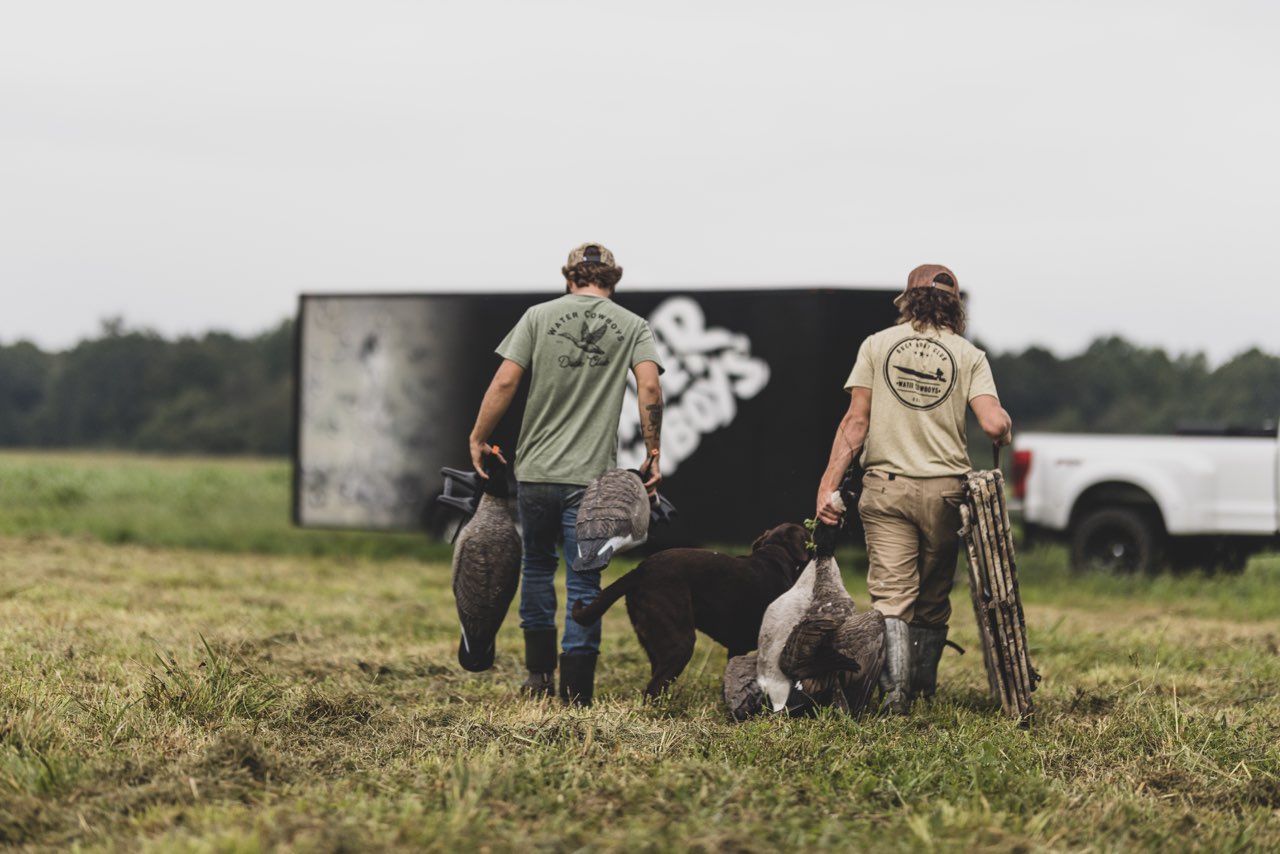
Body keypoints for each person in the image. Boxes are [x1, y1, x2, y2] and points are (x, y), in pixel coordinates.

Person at [468, 243, 664, 706]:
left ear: (569, 277)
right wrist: (654, 451)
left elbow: (504, 381)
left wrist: (478, 436)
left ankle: (538, 677)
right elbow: (650, 385)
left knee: (536, 566)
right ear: (613, 279)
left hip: (535, 471)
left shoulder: (538, 316)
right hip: (593, 480)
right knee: (585, 578)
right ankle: (577, 692)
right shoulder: (633, 325)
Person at [814, 264, 1011, 714]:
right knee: (933, 596)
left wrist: (828, 486)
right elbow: (993, 422)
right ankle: (922, 688)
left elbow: (855, 422)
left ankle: (895, 695)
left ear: (907, 298)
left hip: (886, 490)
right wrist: (1004, 430)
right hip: (946, 494)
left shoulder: (877, 345)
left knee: (891, 595)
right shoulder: (968, 354)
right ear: (954, 308)